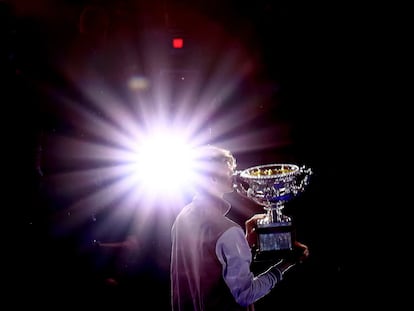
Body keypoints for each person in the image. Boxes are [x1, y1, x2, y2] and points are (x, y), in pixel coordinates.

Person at [170, 145, 310, 311]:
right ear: (210, 178)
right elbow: (245, 295)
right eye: (227, 167)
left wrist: (244, 244)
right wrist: (285, 264)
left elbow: (210, 267)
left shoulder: (182, 218)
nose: (234, 173)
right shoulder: (228, 231)